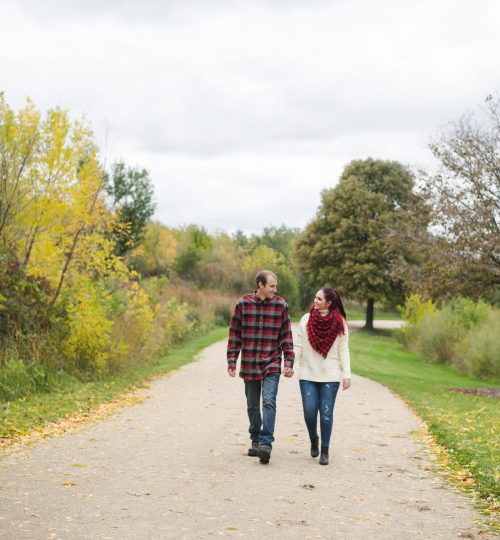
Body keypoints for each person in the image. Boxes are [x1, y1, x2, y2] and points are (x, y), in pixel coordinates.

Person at [227, 269, 294, 464]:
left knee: (269, 401)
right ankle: (255, 439)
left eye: (275, 286)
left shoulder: (281, 305)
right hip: (249, 363)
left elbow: (286, 337)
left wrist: (288, 362)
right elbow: (234, 335)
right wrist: (232, 360)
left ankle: (266, 444)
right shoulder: (243, 304)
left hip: (272, 361)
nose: (275, 289)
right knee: (252, 405)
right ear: (261, 285)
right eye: (272, 286)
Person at [294, 288, 351, 465]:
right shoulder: (306, 319)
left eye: (319, 298)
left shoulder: (340, 322)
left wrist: (346, 374)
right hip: (307, 373)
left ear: (329, 303)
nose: (315, 300)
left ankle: (325, 450)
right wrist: (289, 364)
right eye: (315, 297)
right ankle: (313, 438)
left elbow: (343, 350)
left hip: (331, 375)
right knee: (310, 412)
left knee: (326, 414)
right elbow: (298, 346)